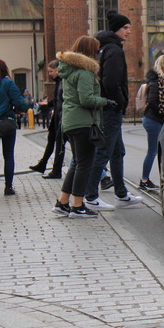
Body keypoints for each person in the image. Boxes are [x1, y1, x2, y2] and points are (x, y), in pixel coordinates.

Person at [85, 10, 143, 211]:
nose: (129, 31)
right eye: (126, 28)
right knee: (104, 151)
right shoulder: (114, 50)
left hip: (107, 106)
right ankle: (91, 195)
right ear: (117, 29)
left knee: (117, 151)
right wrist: (119, 101)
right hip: (111, 108)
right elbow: (110, 81)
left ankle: (121, 194)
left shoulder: (104, 48)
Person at [51, 36, 112, 218]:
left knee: (77, 164)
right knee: (84, 164)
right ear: (90, 51)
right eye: (97, 50)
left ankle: (62, 202)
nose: (98, 53)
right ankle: (78, 206)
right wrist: (105, 102)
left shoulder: (69, 70)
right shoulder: (85, 72)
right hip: (83, 122)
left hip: (71, 121)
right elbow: (86, 99)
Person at [0, 59, 29, 197]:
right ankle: (8, 187)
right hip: (6, 123)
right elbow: (21, 104)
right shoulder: (7, 83)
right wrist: (19, 108)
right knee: (8, 155)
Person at [139, 54, 164, 191]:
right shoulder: (156, 82)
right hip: (153, 120)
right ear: (161, 66)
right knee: (153, 151)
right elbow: (154, 103)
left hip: (162, 120)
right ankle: (144, 180)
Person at [29, 60, 67, 178]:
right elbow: (58, 100)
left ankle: (56, 170)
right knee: (51, 140)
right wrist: (48, 104)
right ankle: (43, 164)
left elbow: (63, 100)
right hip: (57, 117)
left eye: (51, 71)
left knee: (61, 144)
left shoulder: (63, 82)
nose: (49, 74)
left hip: (62, 118)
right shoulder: (59, 82)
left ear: (58, 70)